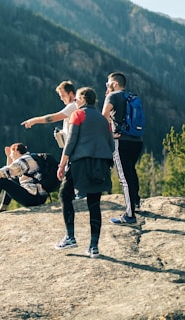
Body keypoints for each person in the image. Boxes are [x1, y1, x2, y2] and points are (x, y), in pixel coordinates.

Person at [54, 87, 114, 258]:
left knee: (65, 194)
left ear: (84, 99)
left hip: (81, 162)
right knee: (94, 205)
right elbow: (111, 145)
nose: (75, 101)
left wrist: (62, 164)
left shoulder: (78, 115)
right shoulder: (104, 120)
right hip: (101, 164)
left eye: (78, 98)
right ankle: (94, 247)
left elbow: (71, 141)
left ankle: (70, 237)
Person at [21, 80, 85, 200]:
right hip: (72, 149)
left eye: (63, 96)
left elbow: (52, 118)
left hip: (74, 150)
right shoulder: (72, 107)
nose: (61, 99)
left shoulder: (73, 106)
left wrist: (34, 120)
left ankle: (78, 199)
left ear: (71, 93)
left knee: (70, 181)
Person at [102, 72, 144, 225]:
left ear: (115, 84)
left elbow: (104, 115)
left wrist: (107, 135)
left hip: (121, 141)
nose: (106, 87)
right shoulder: (130, 96)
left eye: (108, 84)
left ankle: (129, 215)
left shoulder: (112, 97)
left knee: (124, 178)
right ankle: (136, 203)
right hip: (137, 141)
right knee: (131, 172)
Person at [0, 143, 50, 220]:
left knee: (1, 181)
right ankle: (3, 208)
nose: (11, 155)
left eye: (11, 153)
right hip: (39, 197)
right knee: (11, 180)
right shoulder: (29, 158)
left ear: (16, 151)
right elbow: (10, 174)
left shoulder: (23, 161)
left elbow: (3, 172)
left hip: (34, 198)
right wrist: (8, 157)